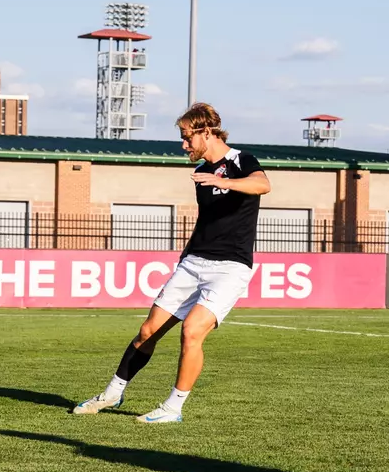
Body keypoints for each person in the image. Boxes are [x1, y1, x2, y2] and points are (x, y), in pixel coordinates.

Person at [74, 102, 271, 423]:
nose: (183, 145)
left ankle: (172, 408)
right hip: (193, 264)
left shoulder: (241, 161)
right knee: (147, 332)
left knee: (192, 331)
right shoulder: (200, 172)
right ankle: (112, 394)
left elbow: (262, 185)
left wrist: (227, 182)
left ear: (206, 132)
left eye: (187, 137)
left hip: (230, 267)